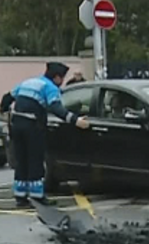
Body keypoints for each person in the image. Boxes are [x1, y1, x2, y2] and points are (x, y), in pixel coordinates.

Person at [1, 62, 89, 207]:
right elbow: (56, 108)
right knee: (35, 160)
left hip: (16, 125)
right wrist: (75, 120)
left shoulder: (29, 82)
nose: (62, 81)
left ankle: (20, 197)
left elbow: (7, 98)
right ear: (57, 77)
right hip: (32, 126)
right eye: (62, 78)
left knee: (22, 161)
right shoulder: (50, 87)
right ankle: (37, 196)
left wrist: (3, 110)